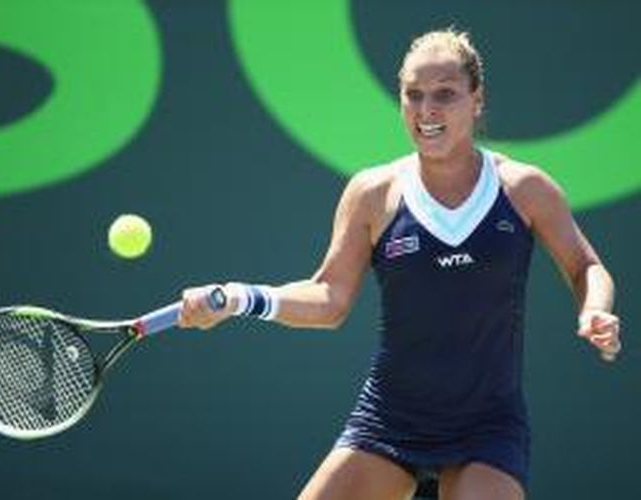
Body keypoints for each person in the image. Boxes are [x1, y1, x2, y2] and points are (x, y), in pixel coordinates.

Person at [177, 28, 622, 499]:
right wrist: (240, 298)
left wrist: (595, 308)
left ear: (477, 100)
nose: (426, 111)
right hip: (389, 421)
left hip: (487, 428)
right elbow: (329, 298)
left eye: (445, 94)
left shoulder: (525, 188)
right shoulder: (373, 194)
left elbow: (585, 265)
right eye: (413, 95)